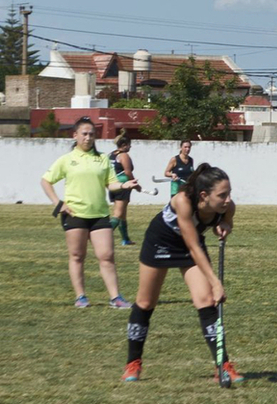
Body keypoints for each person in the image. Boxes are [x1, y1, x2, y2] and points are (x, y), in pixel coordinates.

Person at [121, 163, 243, 384]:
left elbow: (226, 223)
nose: (228, 199)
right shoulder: (183, 201)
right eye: (222, 195)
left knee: (205, 300)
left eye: (229, 193)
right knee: (146, 301)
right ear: (204, 195)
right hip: (162, 241)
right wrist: (215, 282)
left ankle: (222, 364)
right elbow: (194, 247)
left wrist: (224, 227)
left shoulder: (228, 206)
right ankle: (133, 363)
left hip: (191, 244)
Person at [40, 116, 137, 309]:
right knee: (77, 256)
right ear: (75, 135)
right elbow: (46, 181)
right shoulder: (67, 160)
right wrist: (58, 204)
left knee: (107, 256)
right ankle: (81, 297)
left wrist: (124, 184)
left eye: (91, 134)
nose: (88, 137)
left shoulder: (102, 158)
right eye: (84, 134)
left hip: (99, 214)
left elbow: (110, 183)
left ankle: (116, 298)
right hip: (75, 215)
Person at [109, 130, 141, 246]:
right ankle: (103, 236)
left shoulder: (111, 154)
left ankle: (125, 239)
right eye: (129, 145)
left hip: (113, 186)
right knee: (118, 214)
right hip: (123, 186)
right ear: (124, 145)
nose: (130, 147)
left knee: (122, 214)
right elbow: (128, 172)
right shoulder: (124, 155)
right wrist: (135, 184)